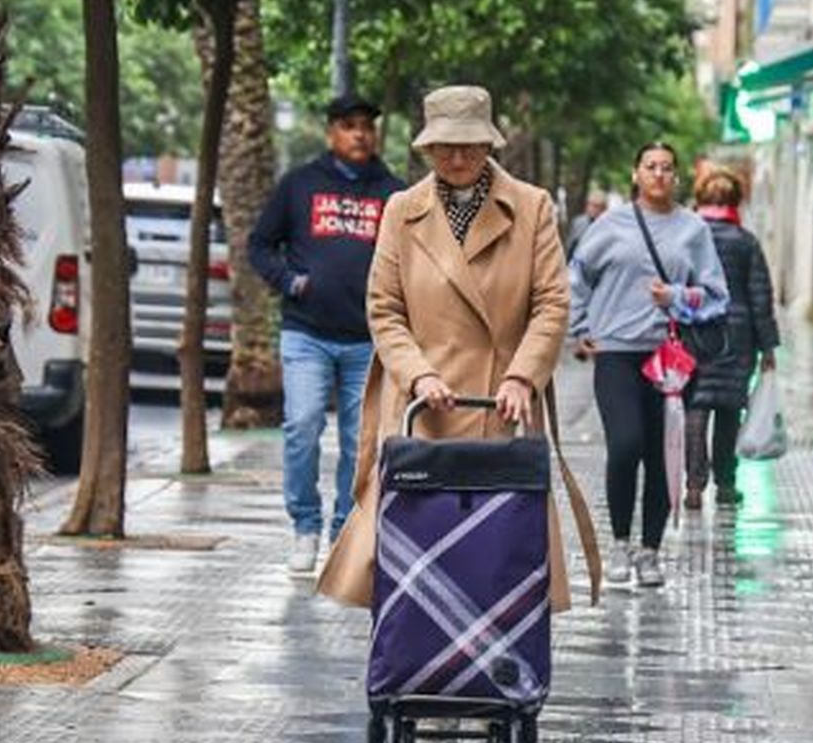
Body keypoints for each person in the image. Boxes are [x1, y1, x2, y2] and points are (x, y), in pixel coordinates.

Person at [318, 85, 597, 611]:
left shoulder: (532, 207)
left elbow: (552, 304)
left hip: (500, 405)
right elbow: (384, 309)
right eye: (445, 146)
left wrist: (522, 375)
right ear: (426, 149)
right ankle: (414, 659)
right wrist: (418, 374)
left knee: (492, 553)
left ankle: (492, 663)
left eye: (470, 144)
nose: (458, 156)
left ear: (491, 144)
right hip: (423, 408)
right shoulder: (402, 210)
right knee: (415, 555)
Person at [249, 94, 404, 576]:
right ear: (331, 133)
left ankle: (343, 530)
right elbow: (259, 244)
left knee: (362, 442)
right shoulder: (300, 184)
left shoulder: (394, 193)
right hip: (307, 333)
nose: (360, 134)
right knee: (302, 426)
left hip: (368, 339)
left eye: (367, 126)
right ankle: (304, 526)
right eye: (349, 126)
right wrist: (289, 281)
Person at [570, 143, 727, 589]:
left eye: (667, 168)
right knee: (625, 445)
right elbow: (576, 275)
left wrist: (677, 297)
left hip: (670, 356)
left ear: (676, 178)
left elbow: (717, 296)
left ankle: (650, 551)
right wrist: (580, 327)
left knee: (663, 454)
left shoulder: (693, 230)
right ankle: (619, 543)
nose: (659, 174)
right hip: (616, 351)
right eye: (650, 167)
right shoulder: (610, 225)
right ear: (636, 174)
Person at [685, 168, 778, 511]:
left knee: (695, 408)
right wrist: (768, 346)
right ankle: (726, 483)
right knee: (728, 411)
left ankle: (693, 486)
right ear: (735, 201)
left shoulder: (688, 238)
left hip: (695, 333)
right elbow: (759, 296)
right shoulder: (746, 242)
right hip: (738, 339)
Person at [566, 190, 607, 256]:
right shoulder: (578, 222)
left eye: (596, 206)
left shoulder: (607, 225)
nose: (592, 209)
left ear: (604, 208)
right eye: (590, 205)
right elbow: (570, 245)